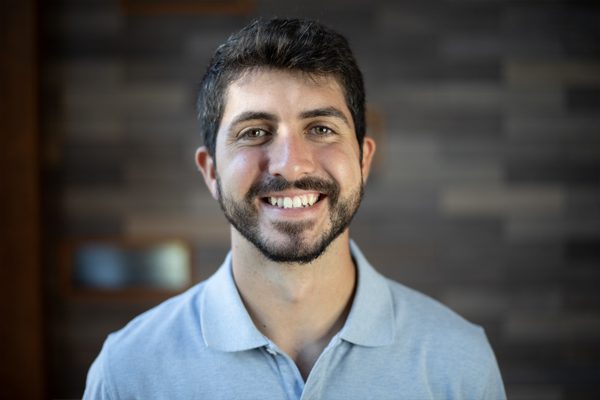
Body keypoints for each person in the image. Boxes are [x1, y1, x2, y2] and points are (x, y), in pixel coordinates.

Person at [84, 18, 506, 399]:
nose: (290, 164)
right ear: (211, 172)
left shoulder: (460, 361)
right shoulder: (128, 371)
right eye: (254, 132)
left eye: (321, 128)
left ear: (363, 159)